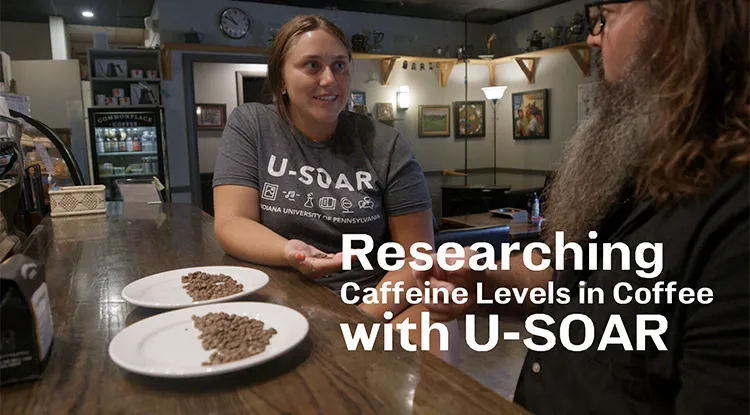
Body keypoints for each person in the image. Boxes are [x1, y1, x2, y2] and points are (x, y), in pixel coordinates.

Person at [415, 0, 749, 413]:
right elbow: (571, 279)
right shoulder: (637, 165)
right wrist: (483, 279)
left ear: (684, 21)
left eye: (606, 16)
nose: (592, 36)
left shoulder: (735, 218)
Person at [212, 15, 459, 363]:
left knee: (438, 330)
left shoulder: (385, 145)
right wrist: (291, 253)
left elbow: (417, 257)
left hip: (374, 303)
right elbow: (231, 223)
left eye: (339, 66)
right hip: (280, 302)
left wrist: (357, 320)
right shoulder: (252, 124)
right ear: (280, 79)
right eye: (311, 65)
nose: (329, 80)